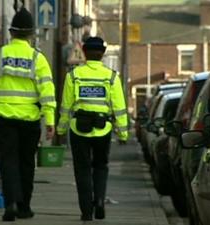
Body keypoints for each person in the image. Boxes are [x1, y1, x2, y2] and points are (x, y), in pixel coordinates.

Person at [0, 8, 56, 222]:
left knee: (8, 162)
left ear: (11, 32)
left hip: (4, 119)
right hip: (30, 120)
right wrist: (50, 119)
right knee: (26, 162)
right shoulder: (38, 59)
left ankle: (11, 204)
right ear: (31, 34)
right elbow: (47, 90)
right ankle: (24, 206)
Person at [56, 36, 128, 221]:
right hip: (103, 129)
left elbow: (66, 106)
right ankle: (100, 201)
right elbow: (119, 108)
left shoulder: (74, 75)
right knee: (101, 166)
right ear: (102, 54)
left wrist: (61, 130)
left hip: (79, 128)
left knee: (82, 169)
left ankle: (87, 211)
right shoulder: (111, 77)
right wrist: (123, 132)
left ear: (85, 54)